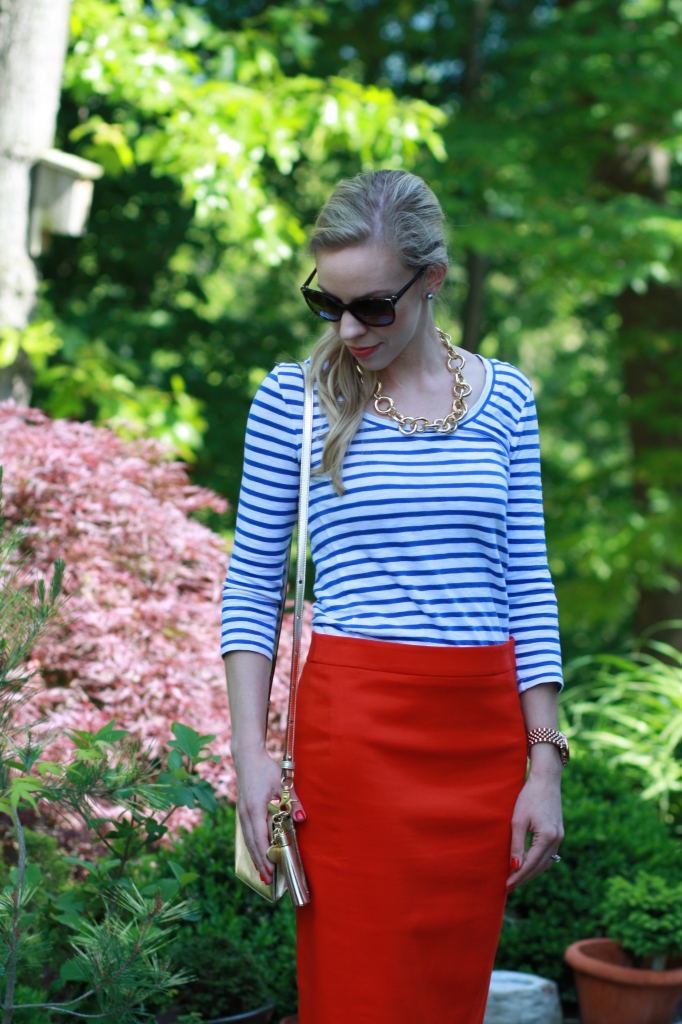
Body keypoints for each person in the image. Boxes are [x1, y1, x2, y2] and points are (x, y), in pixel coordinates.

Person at [222, 169, 565, 1024]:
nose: (348, 328)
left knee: (446, 1001)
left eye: (373, 306)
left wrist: (545, 763)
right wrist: (251, 756)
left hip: (479, 746)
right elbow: (251, 588)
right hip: (353, 743)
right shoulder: (292, 400)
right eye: (327, 303)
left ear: (433, 280)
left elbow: (529, 584)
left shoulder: (507, 399)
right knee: (357, 997)